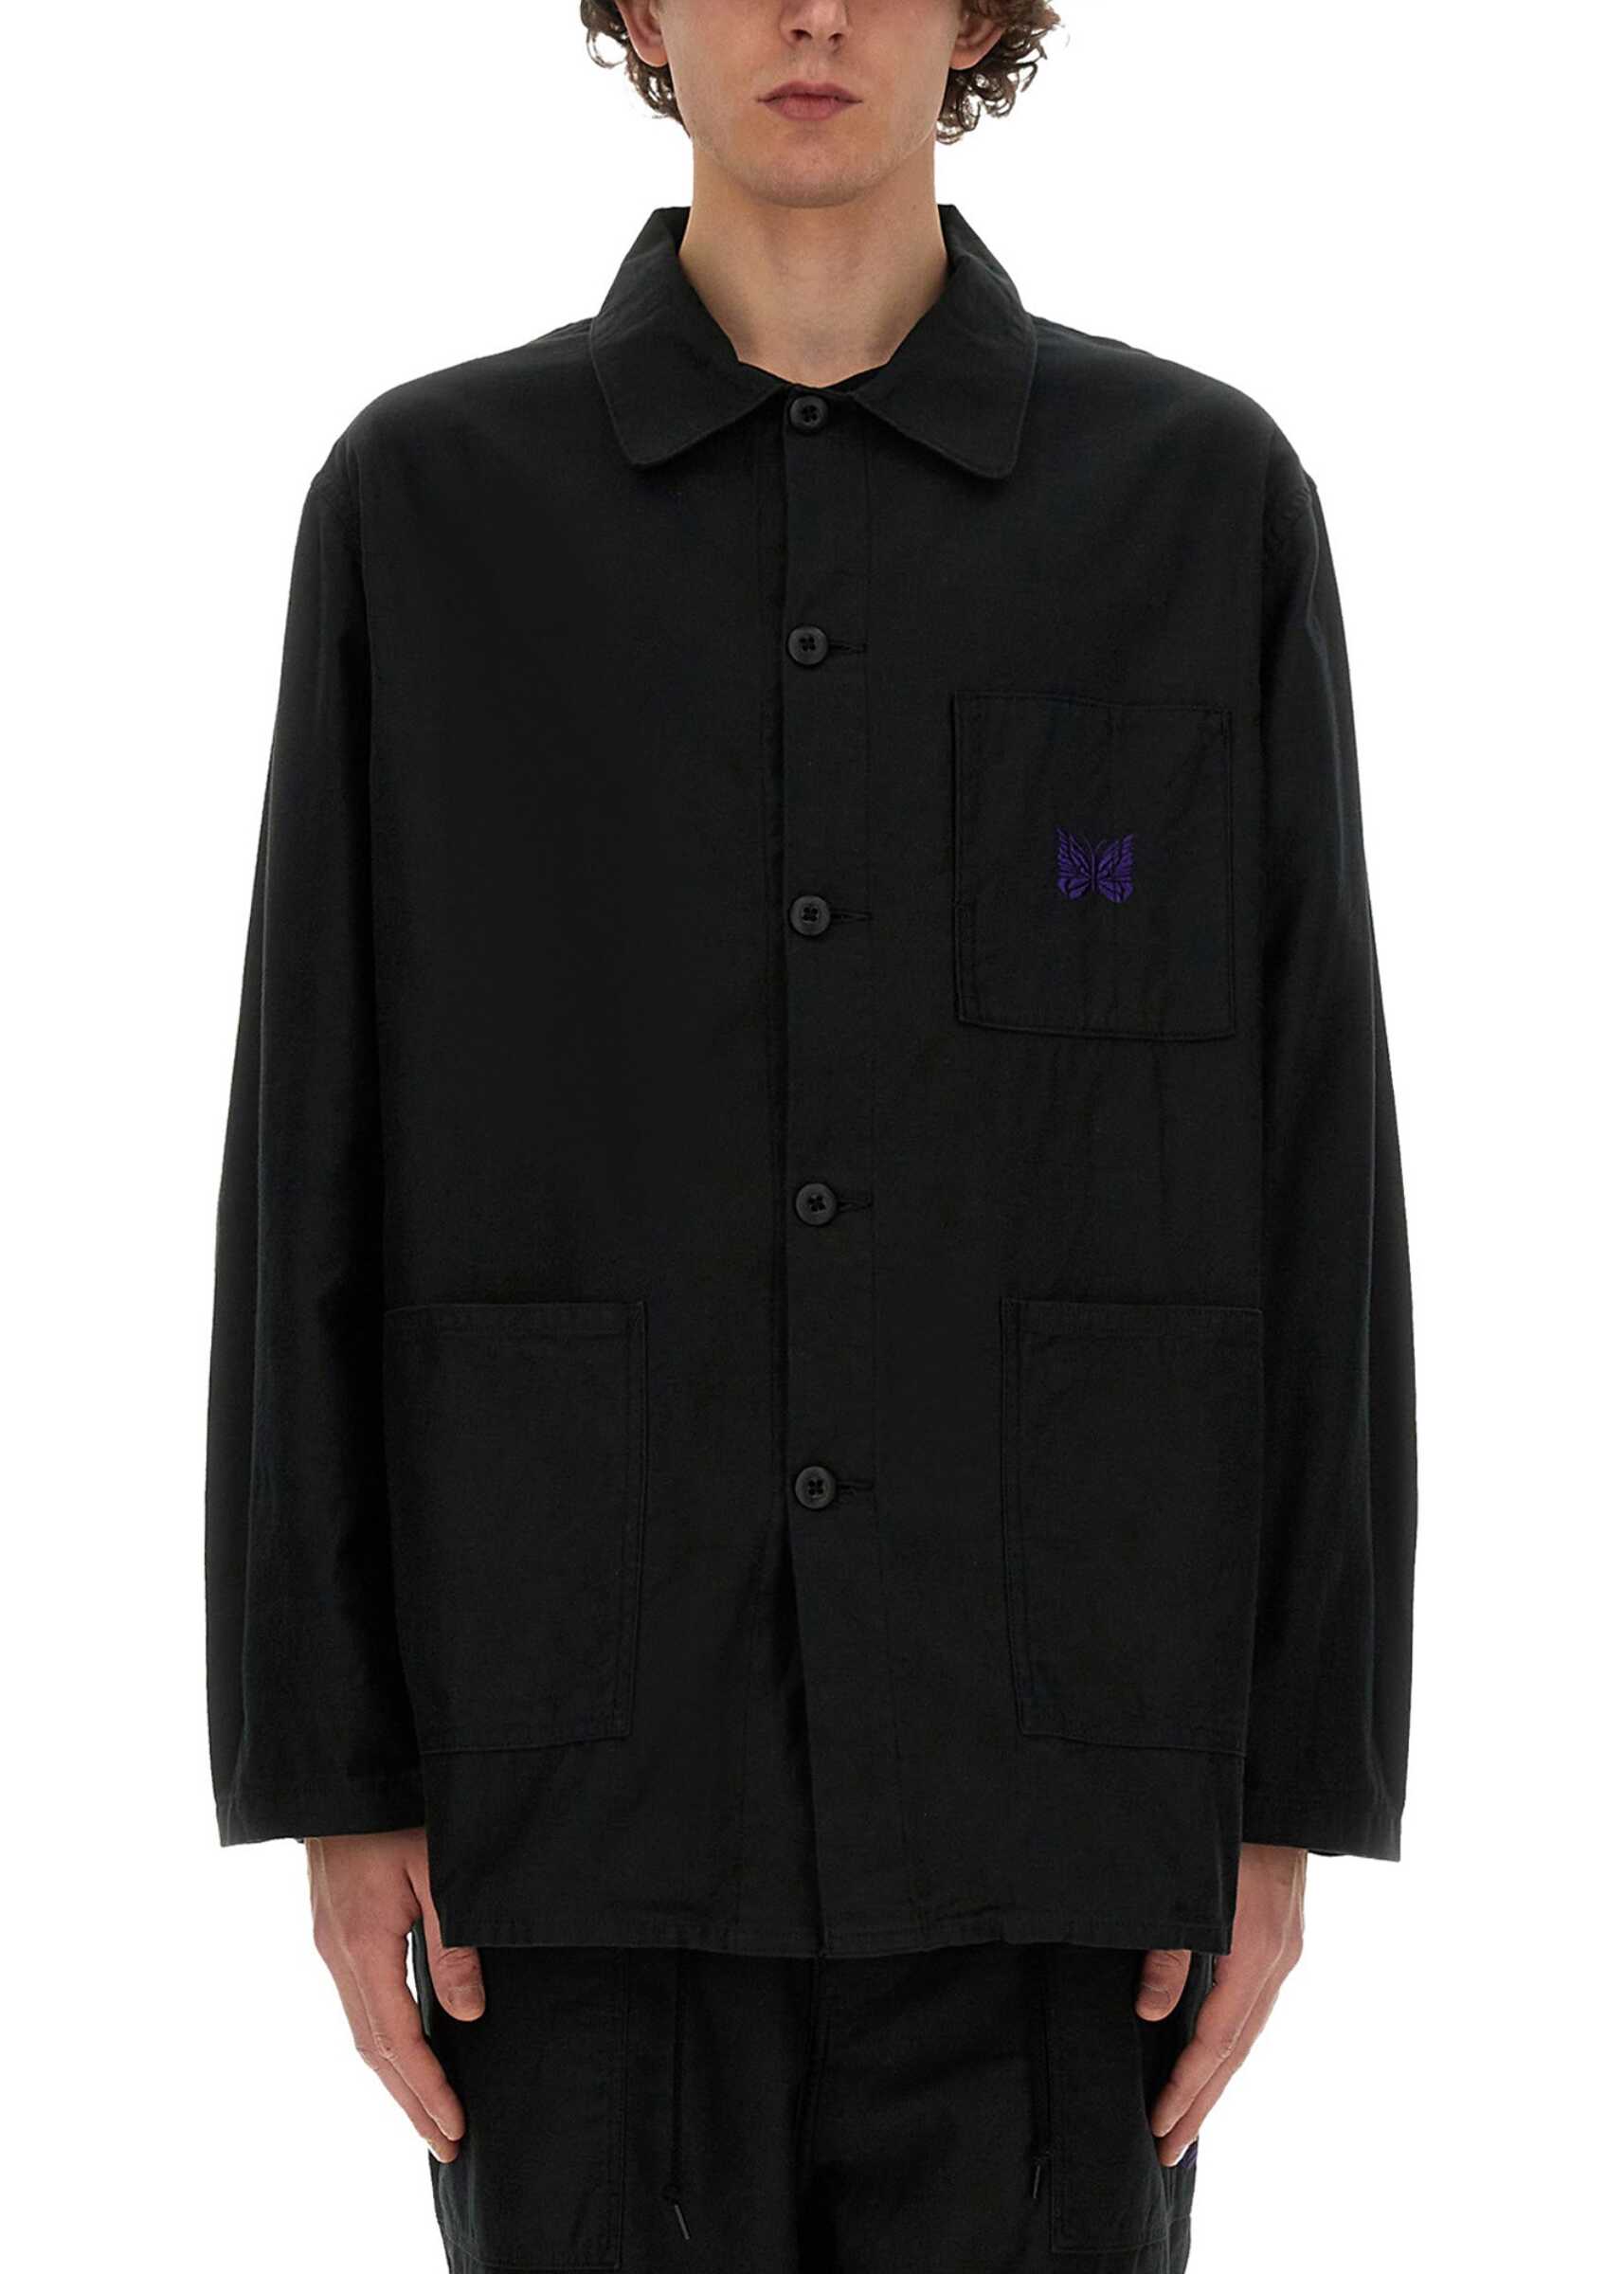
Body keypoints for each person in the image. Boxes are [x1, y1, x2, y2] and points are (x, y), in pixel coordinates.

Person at [205, 5, 1418, 2268]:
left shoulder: (1192, 505)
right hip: (558, 1803)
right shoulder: (427, 511)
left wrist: (1288, 1794)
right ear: (633, 13)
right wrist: (328, 1781)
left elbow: (1309, 1165)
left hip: (1066, 1811)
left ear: (979, 14)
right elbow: (310, 1158)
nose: (812, 13)